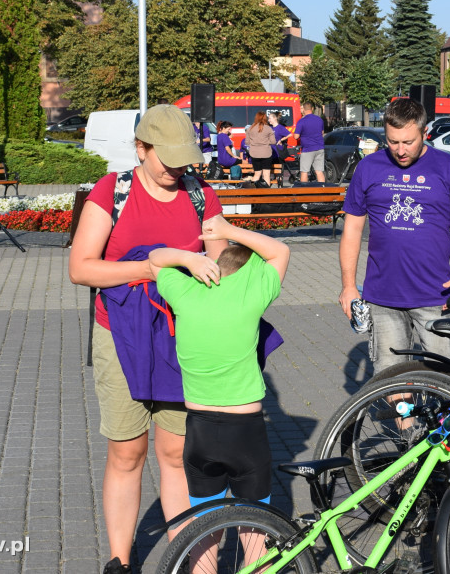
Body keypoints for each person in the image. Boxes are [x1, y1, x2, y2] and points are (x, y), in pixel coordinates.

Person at [68, 104, 227, 574]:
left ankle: (185, 560)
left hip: (182, 337)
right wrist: (151, 267)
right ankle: (119, 560)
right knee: (127, 450)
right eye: (167, 159)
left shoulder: (200, 195)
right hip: (121, 337)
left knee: (177, 452)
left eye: (184, 160)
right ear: (141, 148)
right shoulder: (112, 191)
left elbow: (221, 267)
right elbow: (82, 268)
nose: (177, 169)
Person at [150, 215, 289, 516]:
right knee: (254, 528)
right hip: (245, 431)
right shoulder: (251, 294)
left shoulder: (186, 294)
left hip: (198, 429)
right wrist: (228, 230)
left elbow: (155, 259)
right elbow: (280, 251)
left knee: (203, 526)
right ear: (248, 273)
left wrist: (189, 259)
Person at [338, 98, 450, 374]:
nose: (400, 151)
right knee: (391, 377)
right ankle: (405, 420)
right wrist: (348, 285)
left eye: (408, 142)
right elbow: (353, 230)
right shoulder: (369, 168)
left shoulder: (449, 168)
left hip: (436, 296)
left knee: (446, 376)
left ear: (424, 133)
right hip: (382, 297)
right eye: (393, 142)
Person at [294, 102, 326, 182]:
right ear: (312, 109)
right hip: (319, 148)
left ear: (303, 110)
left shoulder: (301, 121)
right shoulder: (319, 119)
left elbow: (296, 136)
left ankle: (304, 192)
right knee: (319, 171)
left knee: (304, 171)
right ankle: (322, 191)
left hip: (308, 149)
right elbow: (322, 133)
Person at [245, 111, 277, 186]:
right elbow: (273, 141)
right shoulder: (268, 128)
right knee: (266, 174)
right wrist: (265, 141)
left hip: (254, 154)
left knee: (257, 174)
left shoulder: (250, 128)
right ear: (265, 118)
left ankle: (253, 192)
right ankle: (266, 193)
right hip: (266, 154)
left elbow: (247, 142)